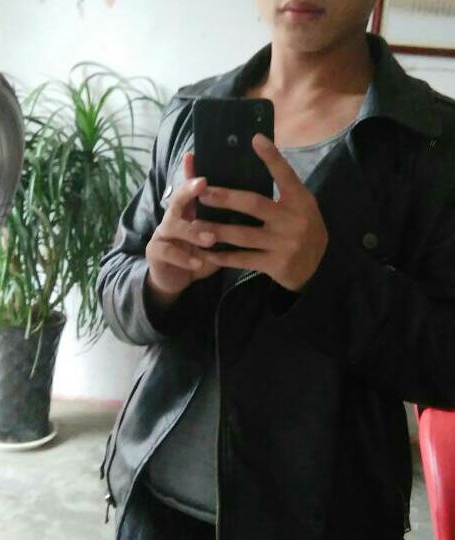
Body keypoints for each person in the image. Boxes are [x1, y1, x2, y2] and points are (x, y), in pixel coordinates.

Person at [96, 1, 455, 539]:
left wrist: (323, 276)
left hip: (326, 519)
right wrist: (158, 283)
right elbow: (113, 281)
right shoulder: (191, 113)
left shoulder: (432, 141)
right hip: (154, 499)